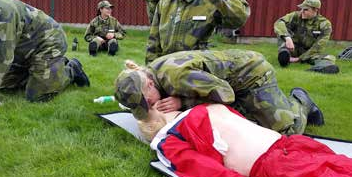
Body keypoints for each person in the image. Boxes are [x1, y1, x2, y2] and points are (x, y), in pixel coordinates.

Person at [142, 103, 352, 177]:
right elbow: (199, 168)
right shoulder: (170, 137)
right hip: (278, 166)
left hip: (291, 148)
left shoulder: (200, 109)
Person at [114, 50, 324, 135]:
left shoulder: (177, 77)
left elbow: (226, 94)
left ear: (149, 84)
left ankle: (300, 101)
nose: (149, 107)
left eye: (146, 103)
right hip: (228, 81)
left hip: (253, 76)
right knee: (248, 129)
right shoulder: (152, 77)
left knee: (285, 134)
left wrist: (182, 104)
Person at [0, 0, 90, 106]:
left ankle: (71, 69)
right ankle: (47, 70)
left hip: (47, 44)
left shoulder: (1, 12)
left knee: (37, 96)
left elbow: (1, 56)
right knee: (5, 86)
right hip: (23, 50)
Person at [274, 0, 339, 74]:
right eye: (302, 9)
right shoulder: (295, 16)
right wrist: (287, 38)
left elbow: (319, 46)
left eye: (306, 9)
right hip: (292, 49)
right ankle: (284, 57)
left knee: (329, 58)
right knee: (282, 32)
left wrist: (300, 59)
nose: (302, 11)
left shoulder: (324, 24)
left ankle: (319, 69)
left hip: (309, 53)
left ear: (315, 10)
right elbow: (279, 22)